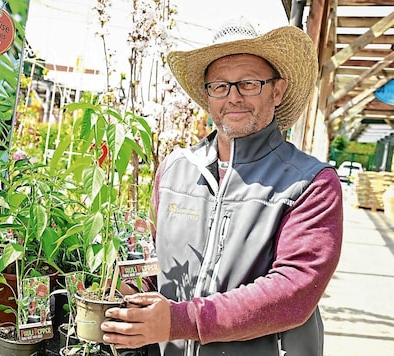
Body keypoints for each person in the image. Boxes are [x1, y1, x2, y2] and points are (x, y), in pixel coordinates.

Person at [100, 19, 343, 355]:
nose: (233, 97)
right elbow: (152, 262)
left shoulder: (309, 182)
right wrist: (123, 294)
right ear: (208, 95)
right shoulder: (175, 170)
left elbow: (294, 290)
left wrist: (179, 320)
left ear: (278, 90)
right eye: (220, 86)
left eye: (248, 83)